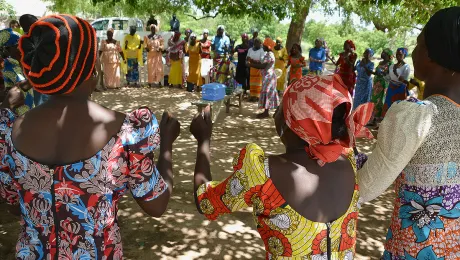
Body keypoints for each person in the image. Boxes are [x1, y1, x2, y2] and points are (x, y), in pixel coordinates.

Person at [1, 14, 181, 259]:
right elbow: (157, 204)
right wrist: (167, 145)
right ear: (93, 68)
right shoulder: (125, 133)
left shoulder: (10, 132)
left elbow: (14, 205)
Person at [190, 74, 374, 259]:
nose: (276, 113)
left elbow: (205, 202)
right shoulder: (348, 161)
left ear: (291, 123)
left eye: (281, 108)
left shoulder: (262, 173)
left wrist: (203, 141)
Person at [358, 7, 460, 259]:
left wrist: (345, 152)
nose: (413, 51)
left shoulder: (415, 116)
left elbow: (365, 187)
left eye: (418, 44)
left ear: (432, 54)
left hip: (415, 250)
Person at [0, 28, 33, 115]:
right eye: (17, 45)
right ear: (7, 49)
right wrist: (38, 76)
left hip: (28, 107)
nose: (21, 48)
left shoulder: (18, 62)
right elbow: (23, 85)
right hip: (21, 113)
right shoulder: (10, 66)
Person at [18, 14, 49, 106]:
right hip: (38, 81)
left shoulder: (39, 36)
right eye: (35, 23)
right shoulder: (26, 41)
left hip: (46, 80)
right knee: (42, 106)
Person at [249, 38, 278, 118]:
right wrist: (253, 61)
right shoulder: (267, 54)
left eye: (264, 45)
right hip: (267, 77)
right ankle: (267, 111)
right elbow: (262, 63)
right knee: (268, 93)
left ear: (268, 47)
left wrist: (251, 65)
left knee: (268, 93)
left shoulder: (270, 54)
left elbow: (263, 66)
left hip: (269, 77)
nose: (262, 46)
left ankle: (266, 112)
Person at [381, 48, 411, 117]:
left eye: (400, 54)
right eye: (397, 54)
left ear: (404, 55)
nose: (398, 56)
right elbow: (389, 78)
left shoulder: (406, 67)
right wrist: (384, 74)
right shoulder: (391, 66)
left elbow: (404, 80)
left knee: (398, 108)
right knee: (388, 106)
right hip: (391, 88)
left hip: (400, 90)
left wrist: (396, 73)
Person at [368, 48, 393, 125]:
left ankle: (378, 120)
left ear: (388, 56)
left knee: (381, 101)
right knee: (374, 100)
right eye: (382, 52)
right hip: (376, 84)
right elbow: (376, 72)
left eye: (384, 53)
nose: (382, 54)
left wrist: (382, 73)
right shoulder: (380, 63)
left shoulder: (390, 64)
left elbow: (389, 75)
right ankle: (373, 119)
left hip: (383, 84)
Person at [123, 23, 143, 87]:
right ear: (129, 30)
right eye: (132, 30)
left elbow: (139, 47)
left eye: (134, 31)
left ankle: (135, 82)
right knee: (129, 70)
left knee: (135, 70)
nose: (133, 31)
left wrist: (140, 43)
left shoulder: (138, 37)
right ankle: (128, 82)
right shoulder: (127, 37)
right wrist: (126, 44)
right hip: (129, 56)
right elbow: (125, 48)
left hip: (135, 56)